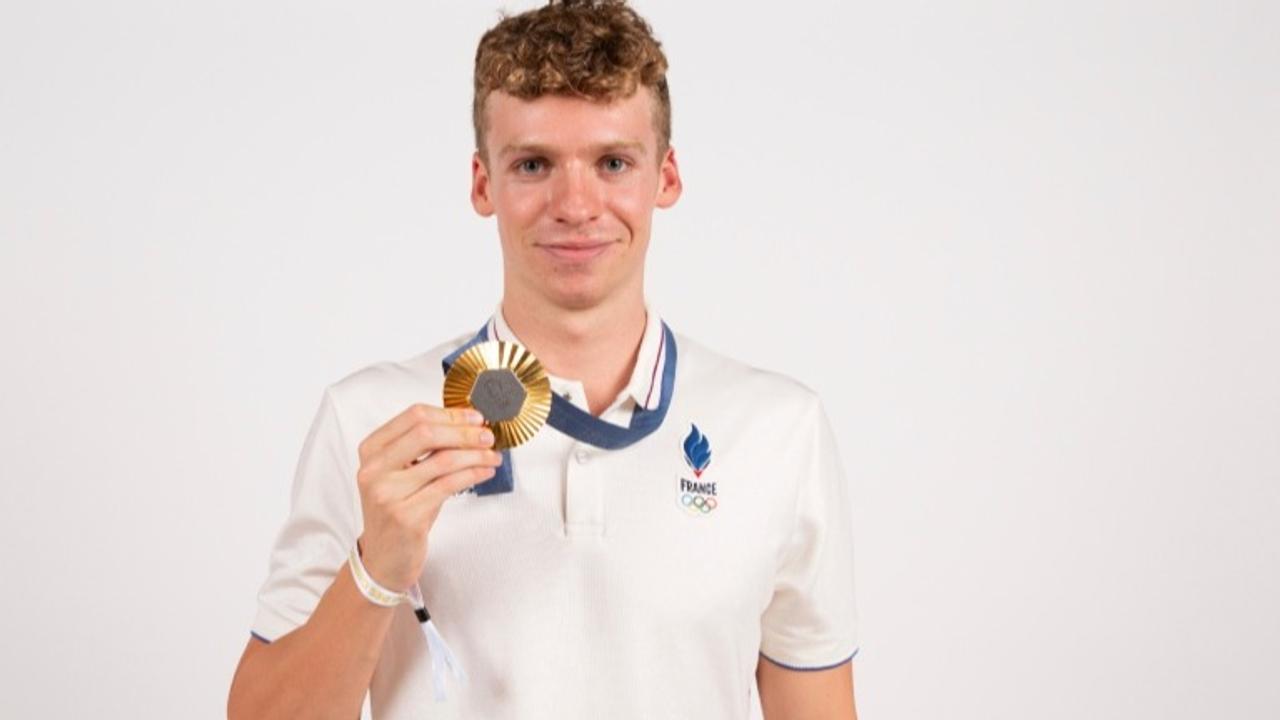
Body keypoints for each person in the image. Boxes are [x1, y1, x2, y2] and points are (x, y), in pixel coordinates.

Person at [227, 1, 859, 717]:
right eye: (533, 164)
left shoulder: (779, 429)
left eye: (613, 162)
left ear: (667, 178)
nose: (574, 203)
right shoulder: (372, 424)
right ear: (482, 184)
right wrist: (377, 570)